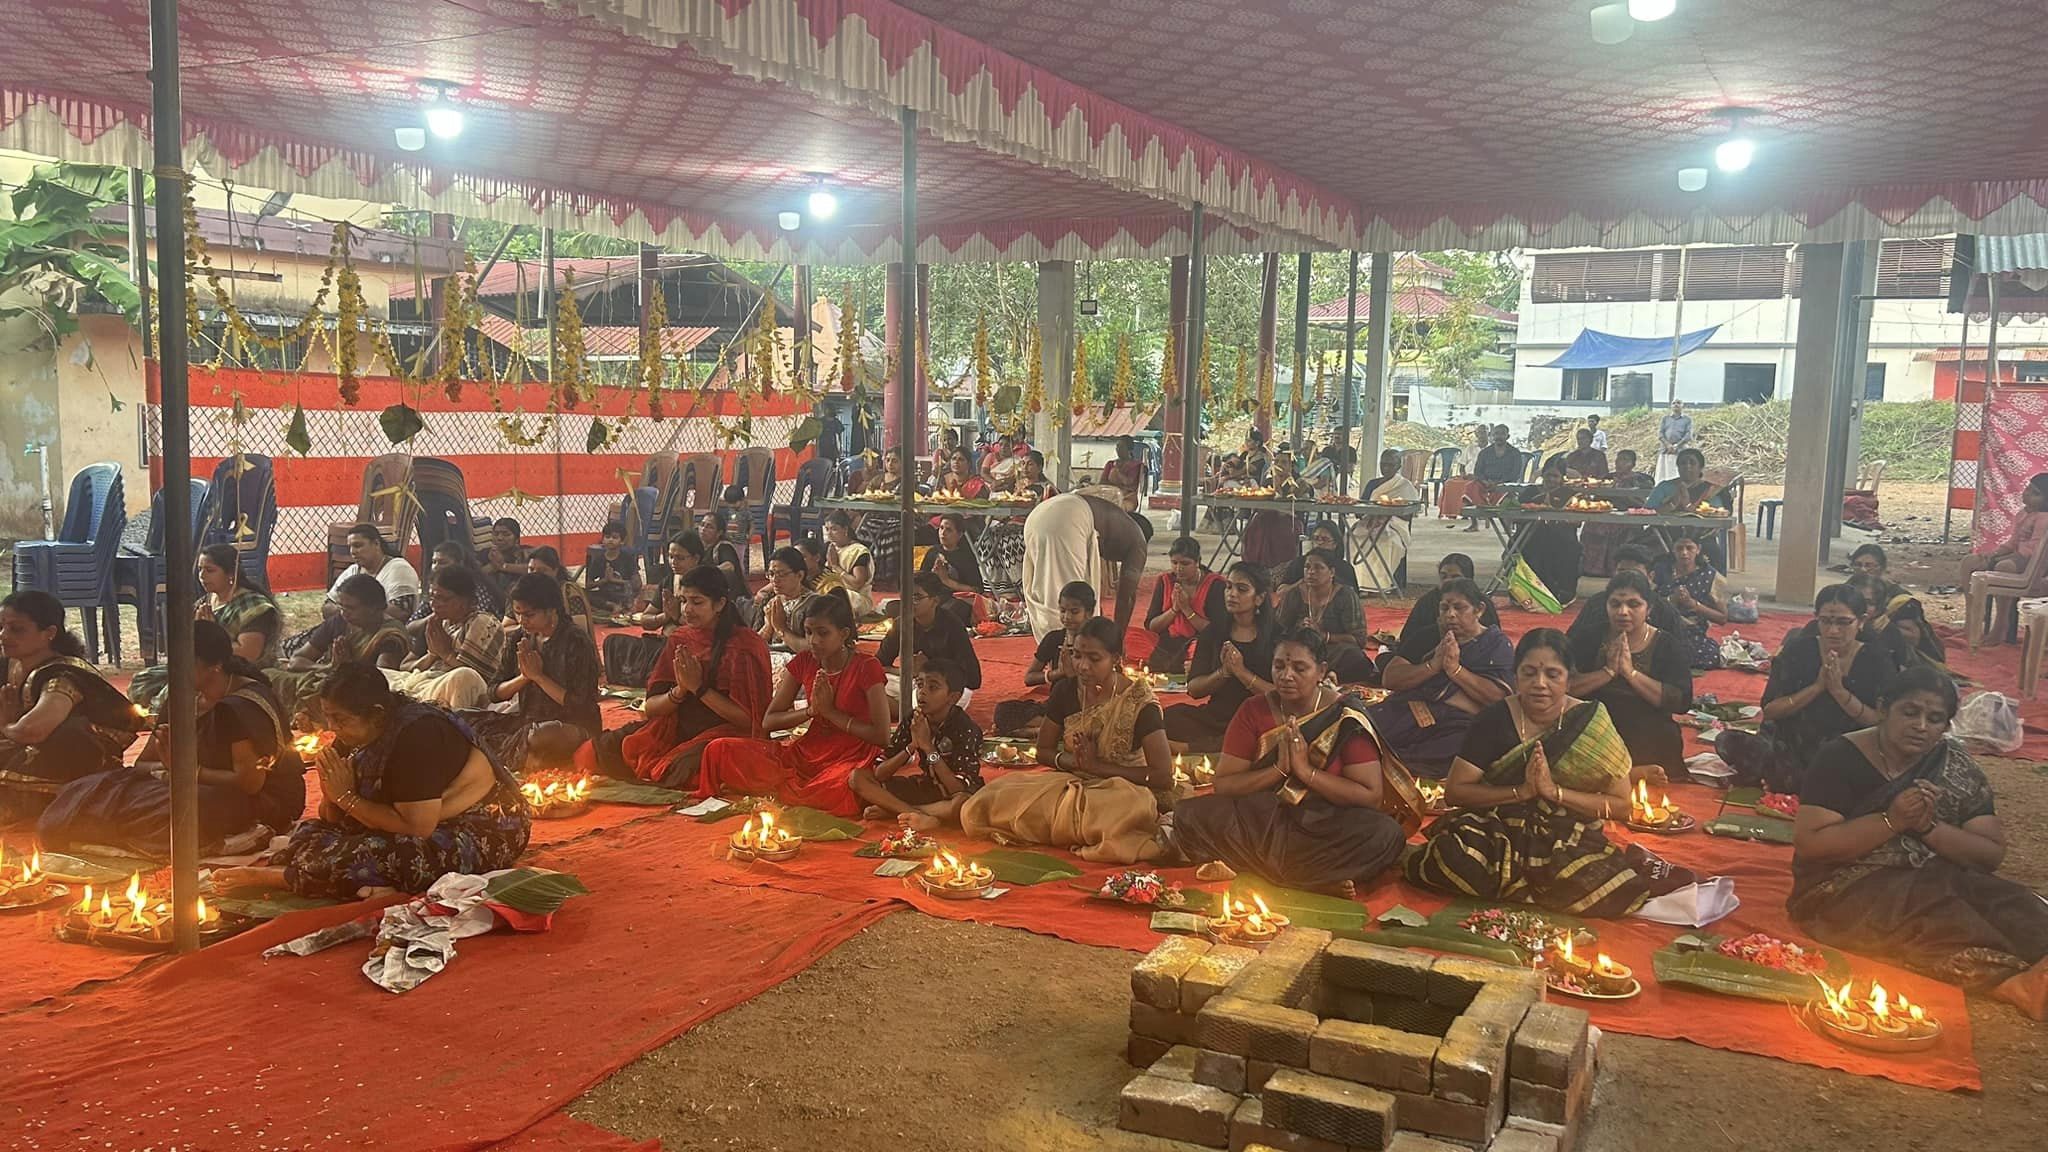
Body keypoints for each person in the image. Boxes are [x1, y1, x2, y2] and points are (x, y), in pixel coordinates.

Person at [1790, 667, 2048, 1015]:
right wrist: (1892, 821)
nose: (1921, 725)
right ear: (1884, 709)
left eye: (1935, 718)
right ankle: (2015, 985)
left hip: (1934, 871)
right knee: (1939, 917)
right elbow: (1812, 845)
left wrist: (1929, 829)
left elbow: (1988, 855)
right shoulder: (1840, 757)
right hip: (1845, 886)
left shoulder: (1954, 764)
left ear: (1946, 726)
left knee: (2012, 903)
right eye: (1910, 712)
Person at [1404, 629, 1682, 916]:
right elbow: (1456, 791)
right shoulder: (1494, 718)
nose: (1540, 684)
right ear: (1516, 677)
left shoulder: (1590, 722)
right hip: (1497, 826)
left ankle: (1517, 888)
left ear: (1568, 679)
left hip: (1568, 831)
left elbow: (1622, 806)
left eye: (1552, 674)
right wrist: (1520, 792)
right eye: (1529, 673)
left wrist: (1553, 792)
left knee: (1599, 881)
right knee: (1453, 859)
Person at [221, 664, 529, 900]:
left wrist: (348, 799)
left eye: (340, 719)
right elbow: (332, 817)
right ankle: (324, 871)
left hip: (483, 827)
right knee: (309, 834)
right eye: (329, 717)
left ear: (377, 713)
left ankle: (286, 878)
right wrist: (334, 797)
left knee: (392, 856)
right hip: (413, 822)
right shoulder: (353, 735)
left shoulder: (417, 736)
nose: (332, 728)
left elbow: (418, 827)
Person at [1165, 627, 1411, 894]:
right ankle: (1319, 876)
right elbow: (1224, 785)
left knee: (1386, 834)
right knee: (1190, 815)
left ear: (1321, 671)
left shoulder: (1345, 716)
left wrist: (1306, 773)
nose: (1286, 676)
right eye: (1279, 665)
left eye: (1299, 668)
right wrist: (1278, 770)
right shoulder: (1254, 710)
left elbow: (1370, 796)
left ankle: (1279, 872)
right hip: (1265, 818)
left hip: (1329, 821)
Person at [39, 620, 304, 856]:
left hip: (262, 800)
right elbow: (142, 765)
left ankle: (240, 837)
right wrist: (167, 771)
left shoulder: (239, 705)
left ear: (215, 666)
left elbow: (250, 784)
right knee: (87, 790)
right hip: (193, 784)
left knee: (184, 813)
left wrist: (185, 770)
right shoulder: (182, 698)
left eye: (185, 662)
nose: (174, 671)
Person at [960, 618, 1171, 863]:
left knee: (1126, 809)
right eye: (1077, 655)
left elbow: (1163, 776)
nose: (1082, 666)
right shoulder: (1066, 690)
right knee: (992, 797)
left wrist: (1098, 768)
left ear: (1116, 658)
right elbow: (1043, 752)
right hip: (1074, 782)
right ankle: (1075, 827)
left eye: (1094, 659)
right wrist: (1074, 762)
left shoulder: (1139, 701)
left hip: (1125, 790)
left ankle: (1078, 828)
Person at [693, 593, 891, 816]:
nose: (813, 640)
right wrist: (810, 712)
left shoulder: (866, 666)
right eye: (808, 632)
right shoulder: (805, 661)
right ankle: (794, 793)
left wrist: (830, 713)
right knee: (718, 749)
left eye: (823, 633)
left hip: (849, 758)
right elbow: (769, 721)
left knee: (839, 787)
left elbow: (882, 736)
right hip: (803, 754)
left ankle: (793, 793)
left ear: (844, 634)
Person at [583, 565, 773, 789]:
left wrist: (699, 689)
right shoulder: (681, 638)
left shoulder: (745, 646)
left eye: (697, 602)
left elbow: (750, 722)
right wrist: (681, 691)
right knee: (594, 751)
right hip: (675, 726)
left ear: (720, 604)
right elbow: (651, 708)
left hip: (724, 734)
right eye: (684, 601)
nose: (687, 609)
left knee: (686, 770)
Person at [1716, 584, 1895, 793]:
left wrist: (1839, 692)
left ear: (1861, 621)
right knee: (1727, 741)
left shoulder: (1877, 660)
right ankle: (1800, 783)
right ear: (1815, 617)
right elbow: (1771, 710)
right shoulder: (1798, 651)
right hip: (1794, 749)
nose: (1833, 630)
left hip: (1849, 752)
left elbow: (1883, 723)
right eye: (1826, 621)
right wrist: (1817, 687)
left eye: (1843, 622)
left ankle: (1794, 783)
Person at [0, 591, 143, 822]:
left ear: (49, 633)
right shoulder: (11, 663)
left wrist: (6, 724)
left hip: (75, 755)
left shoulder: (63, 676)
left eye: (17, 629)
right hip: (23, 741)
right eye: (2, 627)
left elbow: (34, 730)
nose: (4, 636)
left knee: (68, 735)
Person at [1367, 578, 1514, 778]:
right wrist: (1433, 666)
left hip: (1457, 724)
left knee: (1460, 746)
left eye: (1459, 608)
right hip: (1413, 708)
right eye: (1444, 608)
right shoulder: (1430, 636)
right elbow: (1390, 679)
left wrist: (1455, 670)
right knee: (1363, 729)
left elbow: (1498, 699)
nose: (1450, 615)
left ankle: (1390, 767)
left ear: (1479, 610)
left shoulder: (1495, 644)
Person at [462, 572, 603, 767]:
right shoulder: (519, 638)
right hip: (527, 722)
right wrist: (523, 678)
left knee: (541, 736)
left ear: (552, 610)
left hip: (573, 726)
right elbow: (493, 692)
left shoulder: (575, 641)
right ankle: (530, 757)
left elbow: (582, 706)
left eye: (529, 614)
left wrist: (539, 677)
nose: (521, 621)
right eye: (517, 613)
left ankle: (525, 756)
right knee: (462, 719)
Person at [1567, 571, 1693, 776]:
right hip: (1595, 726)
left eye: (1634, 604)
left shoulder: (1666, 645)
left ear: (1648, 608)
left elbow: (1679, 701)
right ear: (1606, 606)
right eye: (1615, 604)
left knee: (1664, 734)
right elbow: (1565, 687)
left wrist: (1630, 673)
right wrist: (1607, 672)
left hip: (1646, 728)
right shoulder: (1588, 637)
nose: (1623, 611)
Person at [128, 543, 282, 709]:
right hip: (203, 666)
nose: (202, 576)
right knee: (142, 683)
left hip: (235, 670)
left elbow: (248, 654)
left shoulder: (254, 607)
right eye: (200, 569)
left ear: (231, 573)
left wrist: (212, 633)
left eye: (210, 570)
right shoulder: (207, 601)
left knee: (176, 694)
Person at [849, 660, 984, 830]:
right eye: (920, 685)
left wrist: (928, 747)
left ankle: (895, 810)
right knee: (858, 778)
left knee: (962, 806)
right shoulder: (915, 719)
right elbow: (880, 773)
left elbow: (955, 788)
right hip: (926, 788)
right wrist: (911, 747)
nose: (922, 693)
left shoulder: (967, 729)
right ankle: (919, 815)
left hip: (954, 795)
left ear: (953, 697)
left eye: (932, 687)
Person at [1165, 562, 1279, 752]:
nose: (1232, 594)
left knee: (1265, 735)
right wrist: (1223, 672)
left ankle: (1189, 748)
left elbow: (1282, 698)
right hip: (1217, 717)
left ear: (1259, 598)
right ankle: (1212, 746)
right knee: (1166, 718)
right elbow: (1194, 689)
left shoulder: (1277, 636)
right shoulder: (1214, 631)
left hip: (1259, 717)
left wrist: (1242, 674)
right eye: (1229, 587)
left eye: (1242, 589)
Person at [270, 574, 411, 723]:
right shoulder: (340, 621)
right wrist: (329, 667)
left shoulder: (390, 636)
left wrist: (348, 670)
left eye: (351, 608)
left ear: (374, 609)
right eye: (341, 607)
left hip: (356, 697)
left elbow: (383, 681)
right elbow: (296, 661)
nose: (344, 613)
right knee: (269, 677)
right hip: (324, 679)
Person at [1021, 491, 1148, 638]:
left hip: (1038, 515)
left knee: (1046, 594)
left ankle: (1054, 649)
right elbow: (1127, 596)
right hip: (1068, 518)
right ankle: (1062, 652)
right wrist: (1117, 640)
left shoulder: (1113, 522)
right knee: (1070, 598)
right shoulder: (1139, 541)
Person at [386, 566, 503, 710]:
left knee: (464, 677)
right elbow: (404, 667)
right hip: (425, 682)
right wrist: (432, 655)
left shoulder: (483, 622)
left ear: (465, 600)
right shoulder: (438, 622)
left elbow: (477, 678)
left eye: (442, 598)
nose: (433, 604)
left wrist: (446, 654)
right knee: (376, 675)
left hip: (452, 686)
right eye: (432, 597)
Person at [1960, 473, 2048, 644]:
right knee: (1969, 562)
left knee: (2004, 567)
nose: (2027, 493)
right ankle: (1972, 617)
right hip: (2016, 556)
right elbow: (2013, 541)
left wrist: (2007, 557)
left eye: (2035, 493)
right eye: (2028, 488)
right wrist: (1994, 554)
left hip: (2033, 565)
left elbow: (2034, 550)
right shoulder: (2023, 514)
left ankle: (2001, 623)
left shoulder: (2044, 519)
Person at [879, 573, 983, 706]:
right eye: (905, 596)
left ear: (935, 601)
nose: (909, 603)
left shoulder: (952, 625)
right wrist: (907, 671)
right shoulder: (901, 624)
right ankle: (907, 709)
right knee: (873, 685)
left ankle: (899, 709)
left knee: (954, 695)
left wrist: (930, 669)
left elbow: (973, 679)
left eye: (916, 597)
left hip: (941, 686)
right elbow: (879, 665)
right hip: (912, 682)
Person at [1387, 554, 1502, 672]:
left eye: (1455, 577)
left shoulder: (1479, 604)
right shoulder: (1427, 602)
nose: (1451, 614)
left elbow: (1493, 640)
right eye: (1444, 576)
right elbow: (1408, 640)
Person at [1276, 549, 1372, 683]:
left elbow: (1359, 639)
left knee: (1355, 657)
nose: (1311, 572)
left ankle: (1329, 678)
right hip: (1300, 651)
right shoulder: (1294, 594)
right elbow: (1278, 630)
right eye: (1307, 567)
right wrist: (1299, 630)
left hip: (1334, 652)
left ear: (1331, 572)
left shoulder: (1345, 596)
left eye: (1318, 567)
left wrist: (1325, 636)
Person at [1568, 545, 1684, 655]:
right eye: (1621, 571)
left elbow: (1680, 657)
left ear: (1651, 577)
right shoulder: (1596, 603)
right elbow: (1571, 643)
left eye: (1635, 573)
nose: (1623, 611)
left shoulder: (1665, 611)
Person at [979, 450, 1055, 597]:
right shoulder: (1019, 485)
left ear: (1039, 468)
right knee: (985, 539)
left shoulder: (1044, 488)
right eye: (1023, 464)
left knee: (1008, 542)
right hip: (1012, 524)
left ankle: (1022, 587)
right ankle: (997, 588)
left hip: (1033, 529)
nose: (1025, 467)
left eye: (1030, 464)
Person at [1144, 538, 1225, 673]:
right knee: (1132, 639)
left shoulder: (1216, 585)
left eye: (1185, 563)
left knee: (1202, 651)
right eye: (1174, 563)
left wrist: (1187, 610)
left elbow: (1216, 631)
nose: (1178, 568)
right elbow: (1151, 626)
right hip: (1168, 642)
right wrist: (1174, 610)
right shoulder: (1165, 581)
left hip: (1199, 643)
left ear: (1198, 562)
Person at [318, 524, 421, 626]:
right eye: (350, 547)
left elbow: (401, 611)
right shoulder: (353, 570)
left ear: (376, 544)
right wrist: (353, 612)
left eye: (358, 545)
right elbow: (327, 607)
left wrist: (353, 612)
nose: (352, 552)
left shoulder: (399, 568)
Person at [1513, 457, 1584, 605]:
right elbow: (1516, 516)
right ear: (1542, 475)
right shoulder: (1530, 492)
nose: (1551, 479)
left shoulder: (1571, 494)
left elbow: (1577, 522)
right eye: (1548, 475)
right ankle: (1528, 592)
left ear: (1562, 477)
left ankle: (1562, 592)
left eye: (1555, 476)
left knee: (1571, 549)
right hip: (1531, 535)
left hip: (1561, 537)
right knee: (1530, 545)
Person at [1653, 536, 1727, 669]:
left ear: (1698, 549)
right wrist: (1671, 600)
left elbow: (1722, 618)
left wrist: (1693, 604)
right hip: (1661, 630)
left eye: (1689, 548)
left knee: (1710, 655)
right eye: (1679, 548)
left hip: (1692, 634)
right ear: (1672, 550)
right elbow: (1647, 605)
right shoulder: (1660, 572)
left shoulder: (1709, 575)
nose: (1684, 553)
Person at [1357, 449, 1421, 593]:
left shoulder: (1405, 486)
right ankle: (1361, 583)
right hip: (1370, 522)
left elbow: (1408, 514)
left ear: (1398, 466)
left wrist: (1388, 514)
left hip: (1394, 525)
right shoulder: (1372, 484)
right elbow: (1362, 507)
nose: (1385, 468)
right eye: (1383, 464)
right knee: (1354, 536)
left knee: (1386, 540)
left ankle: (1381, 584)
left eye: (1390, 465)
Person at [1026, 581, 1096, 689]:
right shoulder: (1054, 639)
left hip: (1092, 700)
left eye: (1074, 611)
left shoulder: (1098, 639)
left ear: (1089, 612)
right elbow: (1029, 678)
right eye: (1063, 610)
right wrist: (1058, 673)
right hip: (1059, 699)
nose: (1066, 617)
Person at [754, 546, 820, 660]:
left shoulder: (815, 604)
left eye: (781, 574)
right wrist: (769, 626)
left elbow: (815, 647)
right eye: (771, 574)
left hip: (800, 663)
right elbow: (755, 645)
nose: (774, 579)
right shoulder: (771, 601)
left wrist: (781, 629)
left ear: (799, 575)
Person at [920, 512, 984, 624]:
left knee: (947, 611)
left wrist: (946, 580)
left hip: (957, 599)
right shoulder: (933, 552)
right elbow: (921, 582)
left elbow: (976, 590)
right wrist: (932, 576)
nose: (943, 533)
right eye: (941, 528)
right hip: (935, 598)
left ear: (959, 535)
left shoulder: (965, 557)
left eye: (949, 530)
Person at [1277, 522, 1360, 599]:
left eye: (1325, 539)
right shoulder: (1300, 563)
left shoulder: (1345, 568)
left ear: (1335, 544)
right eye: (1316, 538)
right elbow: (1280, 593)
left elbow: (1354, 598)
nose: (1319, 543)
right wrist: (1301, 583)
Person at [823, 511, 876, 616]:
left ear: (845, 530)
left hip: (856, 599)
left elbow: (857, 584)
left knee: (833, 597)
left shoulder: (858, 551)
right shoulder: (830, 548)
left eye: (834, 529)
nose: (829, 533)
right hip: (837, 593)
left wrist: (836, 566)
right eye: (827, 529)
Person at [585, 520, 644, 614]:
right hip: (606, 595)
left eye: (615, 537)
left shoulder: (627, 558)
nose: (610, 540)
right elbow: (588, 585)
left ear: (622, 541)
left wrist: (615, 580)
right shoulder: (599, 559)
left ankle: (620, 607)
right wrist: (604, 580)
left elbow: (637, 585)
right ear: (603, 539)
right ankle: (613, 606)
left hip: (623, 594)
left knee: (640, 595)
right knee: (584, 595)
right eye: (607, 537)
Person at [697, 511, 746, 596]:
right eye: (702, 525)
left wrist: (704, 573)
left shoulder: (724, 546)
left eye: (710, 527)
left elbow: (729, 566)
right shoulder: (699, 546)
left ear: (719, 532)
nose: (703, 529)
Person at [1655, 399, 1693, 484]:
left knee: (1676, 474)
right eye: (1674, 403)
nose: (1676, 405)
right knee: (1662, 475)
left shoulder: (1687, 420)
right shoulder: (1665, 418)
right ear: (1671, 406)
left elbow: (1688, 435)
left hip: (1679, 452)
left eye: (1678, 403)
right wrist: (1668, 445)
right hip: (1665, 451)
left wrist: (1676, 446)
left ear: (1682, 405)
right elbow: (1660, 434)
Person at [485, 517, 528, 589]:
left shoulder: (526, 552)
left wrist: (503, 566)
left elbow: (537, 569)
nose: (499, 538)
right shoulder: (485, 554)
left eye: (506, 534)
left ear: (516, 539)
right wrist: (491, 566)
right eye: (496, 534)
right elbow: (473, 575)